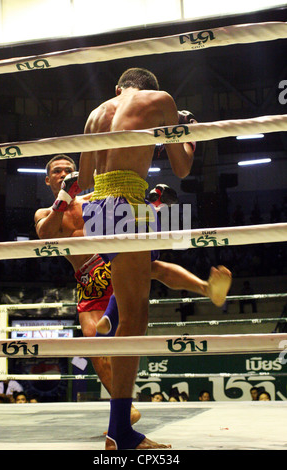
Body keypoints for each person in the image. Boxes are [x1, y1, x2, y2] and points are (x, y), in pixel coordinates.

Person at [78, 68, 231, 450]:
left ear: (119, 89)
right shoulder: (161, 102)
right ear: (154, 90)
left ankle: (113, 317)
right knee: (137, 316)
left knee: (145, 277)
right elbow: (182, 168)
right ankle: (121, 433)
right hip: (128, 203)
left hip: (97, 210)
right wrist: (187, 134)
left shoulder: (97, 112)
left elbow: (82, 180)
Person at [35, 154, 231, 430]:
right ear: (48, 179)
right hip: (89, 282)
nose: (64, 173)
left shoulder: (92, 200)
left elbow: (125, 214)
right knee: (95, 348)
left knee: (153, 265)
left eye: (69, 170)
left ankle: (207, 287)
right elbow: (45, 235)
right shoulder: (45, 213)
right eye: (58, 171)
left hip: (111, 262)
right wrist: (64, 197)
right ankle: (125, 409)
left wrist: (151, 203)